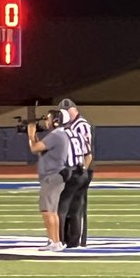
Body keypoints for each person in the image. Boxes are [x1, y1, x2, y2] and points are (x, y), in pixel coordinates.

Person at [26, 108, 72, 252]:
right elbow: (41, 148)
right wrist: (35, 136)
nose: (46, 122)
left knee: (47, 210)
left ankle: (55, 242)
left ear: (56, 121)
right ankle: (55, 241)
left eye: (48, 119)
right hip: (56, 175)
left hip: (52, 176)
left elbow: (35, 148)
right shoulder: (60, 134)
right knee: (52, 211)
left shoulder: (56, 135)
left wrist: (31, 135)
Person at [59, 97, 94, 248]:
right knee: (70, 206)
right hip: (74, 169)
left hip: (80, 168)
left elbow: (87, 152)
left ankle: (76, 239)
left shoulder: (81, 125)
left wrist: (82, 170)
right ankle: (68, 238)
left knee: (76, 206)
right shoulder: (71, 126)